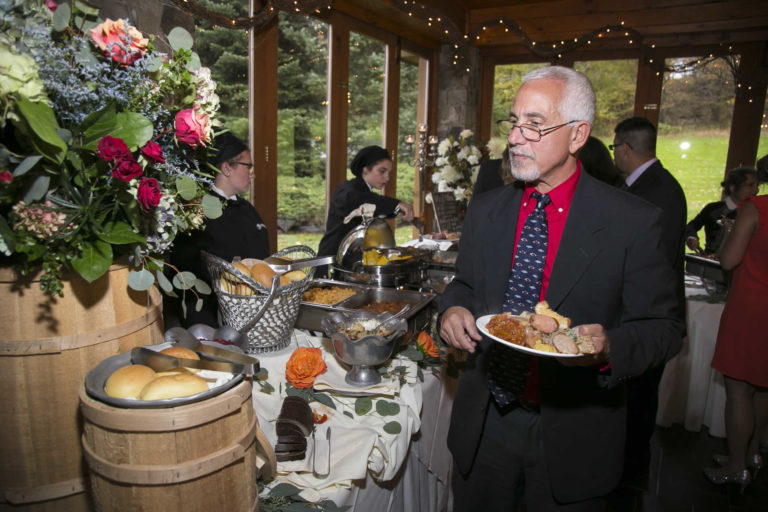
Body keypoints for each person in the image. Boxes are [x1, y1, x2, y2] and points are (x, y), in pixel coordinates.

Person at [439, 66, 683, 510]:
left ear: (577, 135)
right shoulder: (487, 209)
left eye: (534, 124)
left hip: (574, 434)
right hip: (485, 422)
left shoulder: (633, 221)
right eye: (513, 122)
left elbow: (664, 328)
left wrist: (610, 346)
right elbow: (465, 286)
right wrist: (452, 311)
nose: (515, 137)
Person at [611, 116, 687, 484]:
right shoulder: (652, 186)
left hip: (643, 317)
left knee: (638, 405)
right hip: (636, 316)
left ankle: (629, 478)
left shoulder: (656, 193)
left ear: (624, 148)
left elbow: (652, 264)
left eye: (614, 149)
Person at [164, 132, 270, 328]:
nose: (252, 174)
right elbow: (187, 274)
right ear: (227, 168)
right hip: (210, 322)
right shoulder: (196, 214)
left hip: (254, 314)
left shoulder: (247, 209)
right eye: (248, 167)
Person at [704, 191, 768, 492]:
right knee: (763, 388)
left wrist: (730, 231)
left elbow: (728, 261)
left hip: (753, 308)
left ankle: (736, 466)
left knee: (739, 390)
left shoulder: (758, 208)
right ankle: (752, 452)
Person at [317, 145, 414, 263]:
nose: (387, 178)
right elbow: (363, 200)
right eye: (382, 171)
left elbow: (374, 205)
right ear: (365, 169)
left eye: (388, 172)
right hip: (331, 262)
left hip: (349, 260)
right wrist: (397, 204)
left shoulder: (365, 192)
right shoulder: (348, 190)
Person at [685, 166, 758, 254]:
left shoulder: (757, 212)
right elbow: (691, 226)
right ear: (733, 188)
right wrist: (691, 238)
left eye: (757, 186)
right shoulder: (714, 209)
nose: (756, 190)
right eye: (750, 185)